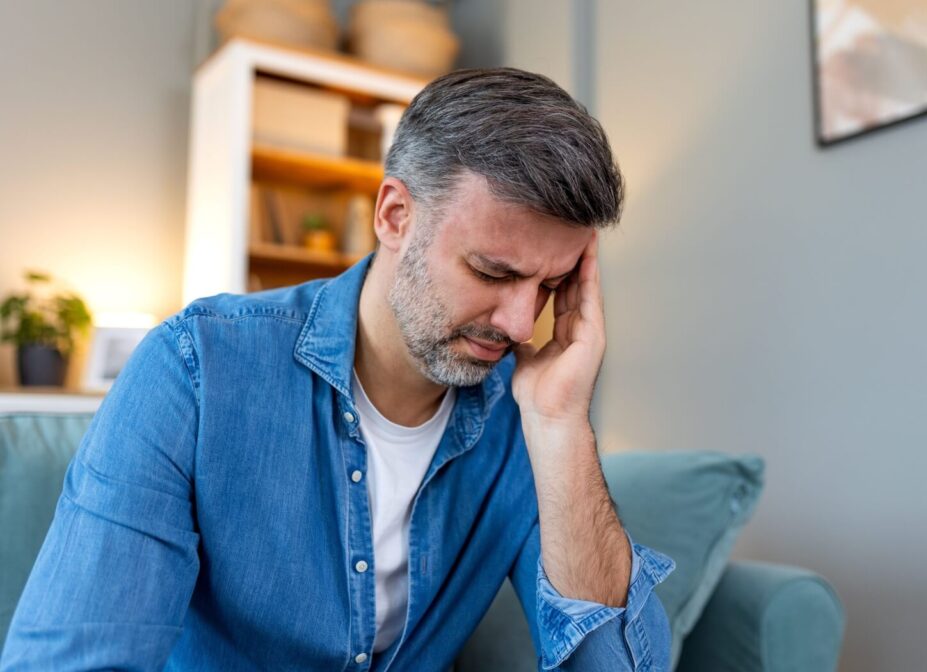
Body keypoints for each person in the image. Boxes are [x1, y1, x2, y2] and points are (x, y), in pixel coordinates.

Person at [1, 68, 674, 671]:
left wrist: (560, 423)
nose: (521, 324)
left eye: (550, 286)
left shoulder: (522, 419)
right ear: (394, 215)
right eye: (492, 272)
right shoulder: (196, 370)